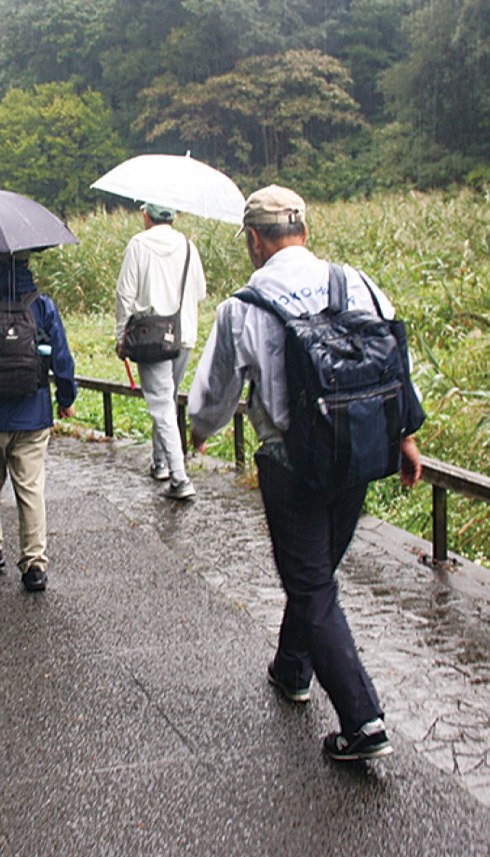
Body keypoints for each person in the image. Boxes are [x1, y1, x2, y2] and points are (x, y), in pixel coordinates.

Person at [188, 185, 423, 762]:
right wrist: (407, 437)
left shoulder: (243, 307)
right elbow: (395, 364)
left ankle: (363, 721)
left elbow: (214, 395)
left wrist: (198, 432)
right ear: (305, 231)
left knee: (312, 584)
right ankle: (293, 668)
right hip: (361, 453)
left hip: (292, 464)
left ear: (254, 239)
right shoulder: (360, 284)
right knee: (315, 572)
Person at [0, 252, 77, 592]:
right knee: (31, 488)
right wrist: (66, 399)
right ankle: (34, 564)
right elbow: (62, 357)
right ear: (26, 263)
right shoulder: (42, 305)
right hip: (33, 413)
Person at [115, 202, 207, 500]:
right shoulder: (189, 247)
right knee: (166, 400)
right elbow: (201, 292)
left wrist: (120, 336)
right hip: (184, 335)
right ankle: (160, 463)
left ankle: (180, 478)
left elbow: (124, 295)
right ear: (175, 216)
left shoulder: (138, 245)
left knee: (162, 406)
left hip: (151, 337)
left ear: (146, 216)